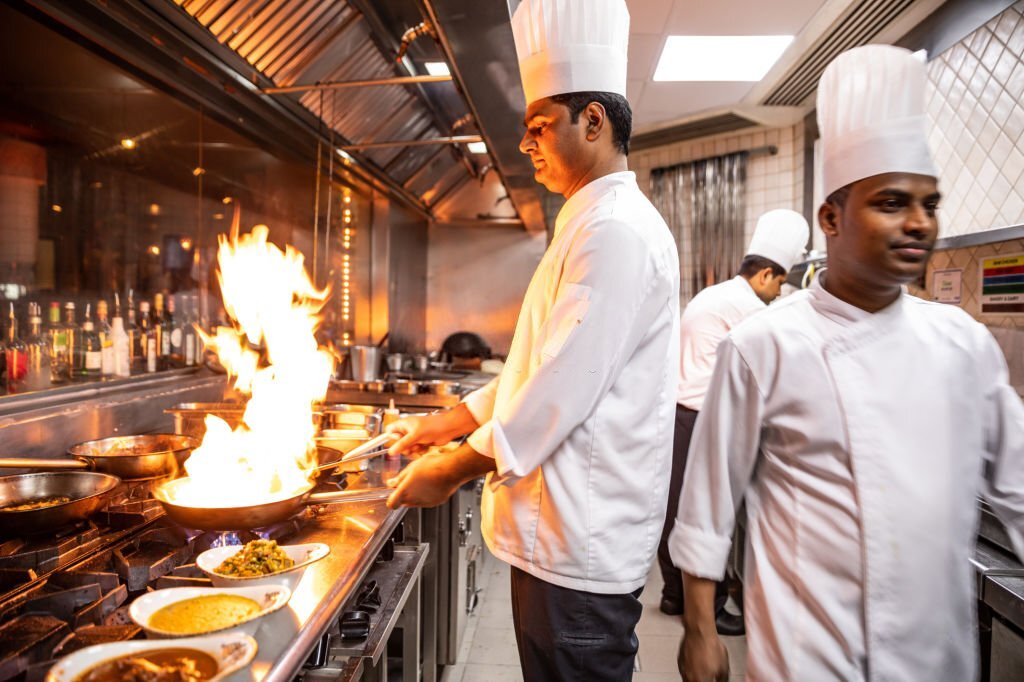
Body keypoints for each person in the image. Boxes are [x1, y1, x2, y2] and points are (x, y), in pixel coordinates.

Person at [671, 44, 1024, 681]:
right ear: (830, 218)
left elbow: (1021, 489)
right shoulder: (765, 345)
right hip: (807, 659)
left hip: (933, 660)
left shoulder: (964, 345)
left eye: (930, 204)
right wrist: (700, 629)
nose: (918, 222)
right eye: (891, 203)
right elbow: (708, 502)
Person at [384, 1, 680, 679]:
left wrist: (453, 468)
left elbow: (557, 391)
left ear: (594, 121)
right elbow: (539, 366)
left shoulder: (615, 233)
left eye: (539, 127)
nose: (528, 145)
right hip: (559, 540)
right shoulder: (588, 223)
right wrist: (450, 422)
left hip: (578, 548)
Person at [658, 209, 809, 637]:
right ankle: (712, 606)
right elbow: (776, 363)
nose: (779, 291)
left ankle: (674, 594)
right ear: (764, 275)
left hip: (681, 415)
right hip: (702, 417)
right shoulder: (747, 307)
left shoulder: (717, 294)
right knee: (709, 514)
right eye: (779, 281)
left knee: (678, 509)